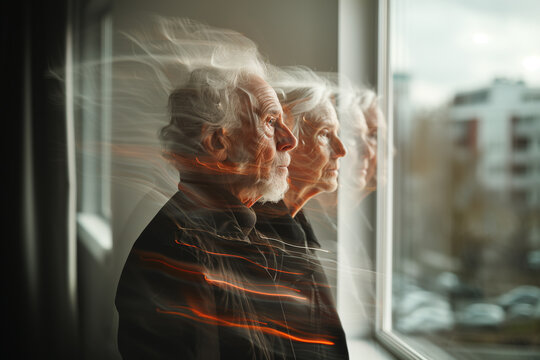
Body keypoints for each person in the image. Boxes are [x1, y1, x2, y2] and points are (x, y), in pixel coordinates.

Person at [253, 70, 349, 360]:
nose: (341, 150)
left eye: (338, 135)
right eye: (324, 135)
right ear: (284, 142)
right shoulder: (261, 242)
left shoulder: (294, 226)